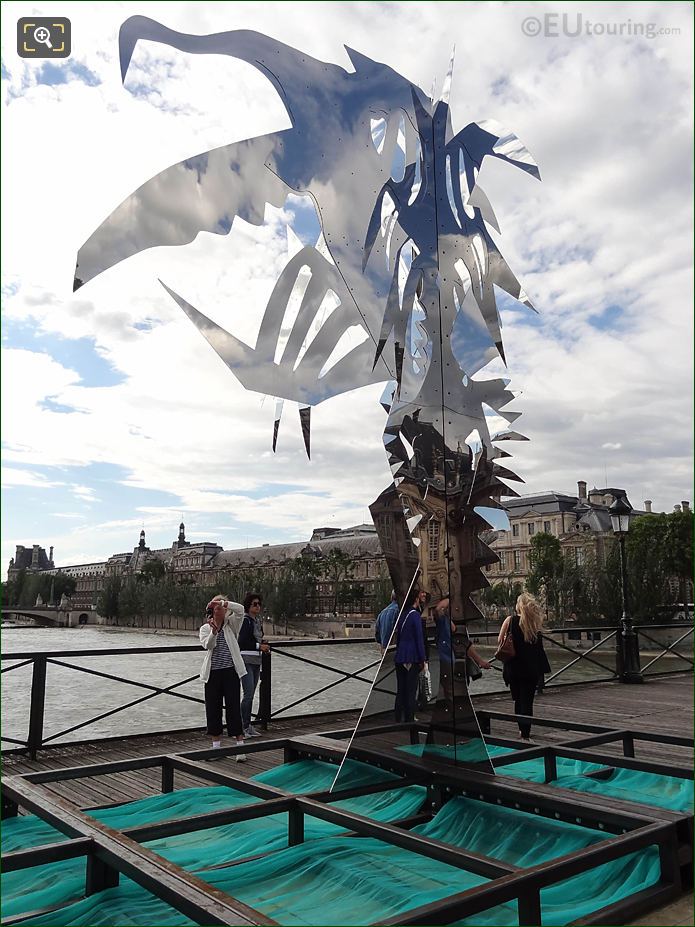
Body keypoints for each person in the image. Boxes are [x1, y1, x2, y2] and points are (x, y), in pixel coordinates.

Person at [199, 595, 248, 760]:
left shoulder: (232, 624)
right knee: (213, 709)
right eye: (215, 606)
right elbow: (208, 645)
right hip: (212, 673)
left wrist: (223, 602)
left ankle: (240, 747)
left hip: (230, 672)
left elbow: (241, 610)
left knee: (233, 707)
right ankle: (216, 748)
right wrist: (214, 631)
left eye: (220, 606)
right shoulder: (205, 628)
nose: (217, 608)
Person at [498, 592, 551, 742]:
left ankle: (521, 730)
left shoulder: (510, 620)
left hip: (514, 668)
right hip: (532, 669)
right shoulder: (534, 622)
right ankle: (526, 734)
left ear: (518, 606)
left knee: (518, 701)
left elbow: (500, 640)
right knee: (527, 702)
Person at [434, 595, 491, 698]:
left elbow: (462, 640)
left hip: (454, 660)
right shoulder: (446, 618)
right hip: (454, 660)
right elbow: (465, 644)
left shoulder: (448, 620)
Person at [238, 592, 270, 737]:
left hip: (256, 661)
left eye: (259, 604)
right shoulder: (245, 621)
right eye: (254, 604)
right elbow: (242, 642)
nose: (258, 606)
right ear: (248, 606)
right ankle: (242, 727)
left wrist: (262, 645)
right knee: (248, 694)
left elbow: (256, 640)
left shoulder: (256, 621)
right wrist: (259, 646)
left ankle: (248, 725)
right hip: (246, 661)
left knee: (251, 694)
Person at [394, 587, 426, 723]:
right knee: (411, 689)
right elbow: (419, 639)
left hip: (400, 656)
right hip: (411, 657)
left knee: (401, 689)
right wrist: (422, 659)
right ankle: (409, 718)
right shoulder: (415, 615)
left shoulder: (402, 614)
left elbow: (398, 637)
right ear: (416, 599)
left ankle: (397, 717)